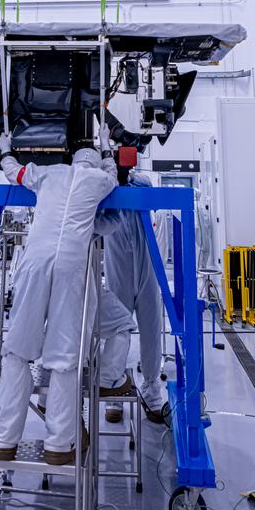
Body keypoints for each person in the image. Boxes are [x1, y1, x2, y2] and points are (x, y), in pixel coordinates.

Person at [0, 125, 118, 466]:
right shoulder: (99, 181)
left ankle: (3, 442)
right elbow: (113, 175)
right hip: (71, 267)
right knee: (64, 357)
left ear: (72, 160)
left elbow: (12, 171)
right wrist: (107, 146)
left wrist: (5, 148)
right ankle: (59, 446)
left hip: (35, 261)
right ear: (91, 164)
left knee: (18, 350)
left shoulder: (48, 173)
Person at [97, 170, 168, 424]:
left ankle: (151, 388)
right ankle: (114, 389)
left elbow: (144, 186)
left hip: (147, 270)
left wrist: (126, 175)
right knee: (118, 331)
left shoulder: (140, 182)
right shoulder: (105, 187)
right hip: (119, 272)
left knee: (151, 330)